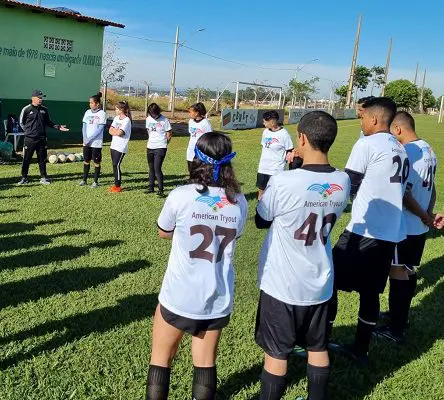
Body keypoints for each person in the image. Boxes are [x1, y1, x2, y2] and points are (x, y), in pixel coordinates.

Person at [254, 111, 350, 400]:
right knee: (317, 347)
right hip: (320, 280)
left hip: (282, 283)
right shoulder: (343, 181)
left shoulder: (284, 182)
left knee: (276, 353)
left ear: (303, 138)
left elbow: (262, 219)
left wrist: (291, 170)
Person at [146, 132, 246, 400]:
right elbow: (235, 234)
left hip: (179, 294)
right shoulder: (239, 201)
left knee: (161, 358)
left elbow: (163, 231)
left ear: (196, 159)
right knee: (205, 363)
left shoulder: (181, 195)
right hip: (217, 296)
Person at [328, 97, 407, 365]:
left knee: (331, 281)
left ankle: (321, 339)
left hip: (364, 229)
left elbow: (347, 183)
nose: (361, 122)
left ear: (374, 119)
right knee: (370, 291)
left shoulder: (367, 143)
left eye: (362, 118)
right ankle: (361, 348)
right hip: (390, 232)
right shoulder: (400, 147)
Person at [375, 111, 437, 343]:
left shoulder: (407, 152)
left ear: (398, 129)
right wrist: (428, 214)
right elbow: (432, 188)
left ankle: (395, 328)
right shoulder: (428, 149)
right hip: (419, 226)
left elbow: (404, 193)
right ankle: (398, 316)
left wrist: (423, 215)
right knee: (408, 270)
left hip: (406, 225)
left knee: (398, 272)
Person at [18, 90, 69, 185]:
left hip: (42, 139)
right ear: (33, 98)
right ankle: (24, 177)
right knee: (26, 159)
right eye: (39, 97)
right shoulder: (27, 109)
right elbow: (21, 122)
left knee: (42, 159)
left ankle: (43, 177)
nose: (41, 99)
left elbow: (49, 122)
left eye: (42, 98)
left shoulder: (44, 110)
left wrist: (58, 127)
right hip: (30, 139)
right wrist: (28, 132)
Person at [256, 110, 294, 199]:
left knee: (275, 193)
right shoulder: (265, 132)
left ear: (272, 122)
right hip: (263, 168)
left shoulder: (284, 134)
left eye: (265, 121)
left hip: (276, 169)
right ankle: (259, 209)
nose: (263, 123)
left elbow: (289, 150)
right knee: (261, 190)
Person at [79, 92, 107, 188]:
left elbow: (100, 129)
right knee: (86, 160)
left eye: (92, 103)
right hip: (86, 142)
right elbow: (84, 126)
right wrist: (85, 138)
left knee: (96, 162)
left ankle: (95, 182)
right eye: (89, 103)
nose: (90, 104)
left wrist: (90, 139)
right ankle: (84, 180)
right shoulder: (87, 112)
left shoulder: (102, 114)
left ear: (97, 104)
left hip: (96, 143)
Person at [145, 103, 172, 197]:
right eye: (151, 114)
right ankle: (151, 187)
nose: (153, 116)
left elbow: (169, 134)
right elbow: (148, 131)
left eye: (154, 114)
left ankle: (161, 189)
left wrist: (164, 143)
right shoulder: (148, 119)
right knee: (151, 168)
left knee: (157, 168)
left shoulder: (165, 120)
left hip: (160, 147)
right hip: (150, 146)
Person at [108, 101, 132, 193]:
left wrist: (116, 132)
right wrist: (116, 132)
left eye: (116, 109)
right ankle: (115, 185)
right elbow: (110, 130)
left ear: (121, 109)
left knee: (116, 165)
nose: (115, 110)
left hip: (121, 147)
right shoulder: (116, 118)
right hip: (113, 145)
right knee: (114, 165)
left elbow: (120, 132)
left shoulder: (127, 120)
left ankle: (117, 186)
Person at [186, 103, 213, 175]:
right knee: (191, 171)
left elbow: (209, 137)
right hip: (191, 150)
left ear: (197, 113)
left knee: (199, 172)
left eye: (191, 112)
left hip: (200, 151)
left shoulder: (205, 123)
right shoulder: (191, 121)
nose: (189, 114)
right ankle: (192, 185)